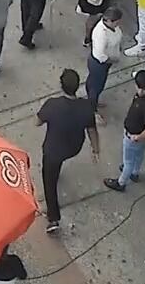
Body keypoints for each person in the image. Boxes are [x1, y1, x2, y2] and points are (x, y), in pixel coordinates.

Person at [37, 69, 100, 233]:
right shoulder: (86, 107)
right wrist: (96, 149)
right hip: (73, 147)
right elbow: (92, 130)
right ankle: (57, 173)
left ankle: (53, 218)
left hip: (52, 150)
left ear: (61, 85)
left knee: (49, 183)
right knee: (57, 164)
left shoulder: (52, 104)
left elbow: (37, 122)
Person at [104, 70, 145, 192]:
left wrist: (136, 137)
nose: (141, 91)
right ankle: (135, 173)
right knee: (138, 155)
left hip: (133, 136)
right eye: (139, 87)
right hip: (138, 137)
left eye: (144, 89)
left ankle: (121, 183)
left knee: (127, 162)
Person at [86, 6, 124, 116]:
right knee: (96, 86)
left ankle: (93, 101)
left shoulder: (112, 27)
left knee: (95, 82)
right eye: (116, 22)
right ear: (109, 21)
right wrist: (112, 60)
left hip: (105, 63)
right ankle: (92, 108)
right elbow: (100, 55)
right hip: (99, 64)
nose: (118, 24)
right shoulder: (101, 34)